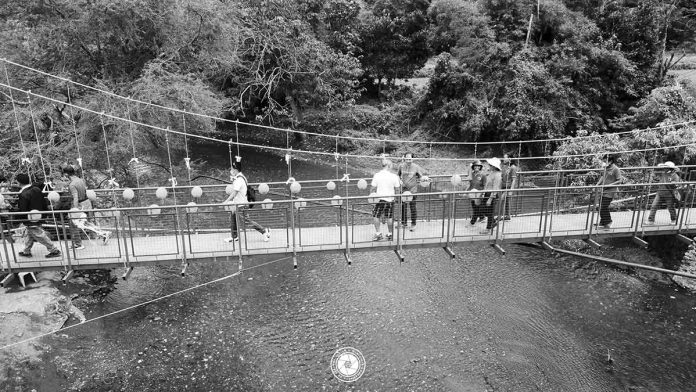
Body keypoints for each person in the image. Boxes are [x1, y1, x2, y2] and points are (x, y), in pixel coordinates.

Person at [223, 160, 270, 243]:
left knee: (247, 222)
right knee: (233, 219)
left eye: (231, 169)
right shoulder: (241, 177)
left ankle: (264, 231)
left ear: (235, 169)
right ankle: (234, 237)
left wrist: (226, 201)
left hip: (241, 204)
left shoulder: (239, 180)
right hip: (237, 203)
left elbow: (235, 192)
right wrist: (234, 179)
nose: (230, 171)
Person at [16, 173, 61, 258]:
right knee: (30, 234)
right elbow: (43, 202)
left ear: (19, 183)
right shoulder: (36, 189)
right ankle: (26, 251)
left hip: (31, 218)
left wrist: (21, 219)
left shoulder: (23, 194)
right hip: (39, 215)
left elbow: (23, 209)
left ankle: (54, 250)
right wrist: (45, 213)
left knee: (39, 234)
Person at [62, 165, 93, 249]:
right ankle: (104, 233)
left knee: (73, 224)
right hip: (86, 202)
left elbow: (75, 197)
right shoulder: (80, 180)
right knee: (86, 223)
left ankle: (78, 244)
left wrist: (74, 210)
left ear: (66, 174)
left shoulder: (72, 185)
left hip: (79, 205)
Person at [371, 159, 401, 241]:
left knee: (376, 215)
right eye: (391, 165)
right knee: (389, 217)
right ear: (389, 166)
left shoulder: (377, 175)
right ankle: (390, 234)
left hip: (379, 199)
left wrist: (372, 199)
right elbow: (397, 189)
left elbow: (373, 188)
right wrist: (397, 198)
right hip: (390, 199)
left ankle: (378, 233)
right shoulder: (394, 176)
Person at [398, 152, 428, 231]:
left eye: (410, 159)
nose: (408, 160)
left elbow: (421, 177)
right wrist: (399, 181)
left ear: (412, 159)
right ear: (404, 158)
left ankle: (413, 225)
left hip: (413, 191)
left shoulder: (416, 167)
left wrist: (425, 180)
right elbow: (398, 175)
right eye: (407, 159)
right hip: (403, 191)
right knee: (403, 207)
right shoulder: (401, 166)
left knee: (413, 207)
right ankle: (404, 223)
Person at [595, 155, 623, 230]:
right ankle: (603, 222)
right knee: (600, 206)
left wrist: (610, 185)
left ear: (610, 161)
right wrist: (598, 184)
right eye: (603, 161)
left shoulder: (615, 169)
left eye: (605, 161)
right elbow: (603, 176)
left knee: (603, 207)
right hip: (604, 190)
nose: (603, 163)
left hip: (611, 191)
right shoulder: (606, 168)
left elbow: (619, 180)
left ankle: (608, 222)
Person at [481, 158, 502, 233]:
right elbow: (487, 183)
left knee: (489, 212)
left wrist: (490, 199)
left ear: (494, 166)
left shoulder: (497, 175)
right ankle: (493, 221)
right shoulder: (491, 172)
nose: (489, 165)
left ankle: (488, 228)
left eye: (490, 165)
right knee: (483, 209)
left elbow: (495, 188)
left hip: (492, 194)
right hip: (487, 193)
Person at [468, 160, 487, 225]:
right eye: (475, 166)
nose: (477, 167)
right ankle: (482, 217)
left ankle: (472, 222)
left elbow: (485, 185)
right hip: (472, 194)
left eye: (478, 166)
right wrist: (466, 191)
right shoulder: (472, 174)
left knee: (476, 208)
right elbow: (470, 184)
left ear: (480, 167)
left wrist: (482, 194)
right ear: (473, 167)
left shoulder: (483, 175)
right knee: (474, 207)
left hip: (479, 194)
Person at [500, 154, 519, 220]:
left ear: (509, 159)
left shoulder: (513, 167)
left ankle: (501, 216)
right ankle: (507, 215)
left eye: (505, 158)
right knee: (506, 201)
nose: (503, 159)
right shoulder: (505, 167)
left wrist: (511, 190)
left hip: (508, 187)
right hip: (503, 186)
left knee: (502, 199)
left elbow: (514, 179)